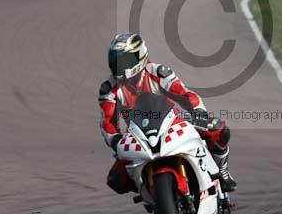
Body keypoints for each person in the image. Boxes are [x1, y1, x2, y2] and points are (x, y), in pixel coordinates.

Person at [98, 32, 236, 195]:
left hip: (173, 120)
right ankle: (150, 194)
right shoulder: (109, 88)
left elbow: (186, 95)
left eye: (124, 61)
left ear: (139, 56)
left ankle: (222, 170)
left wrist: (198, 112)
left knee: (218, 130)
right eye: (115, 61)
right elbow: (107, 122)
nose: (119, 66)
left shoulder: (158, 72)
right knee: (116, 179)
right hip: (137, 134)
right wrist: (115, 139)